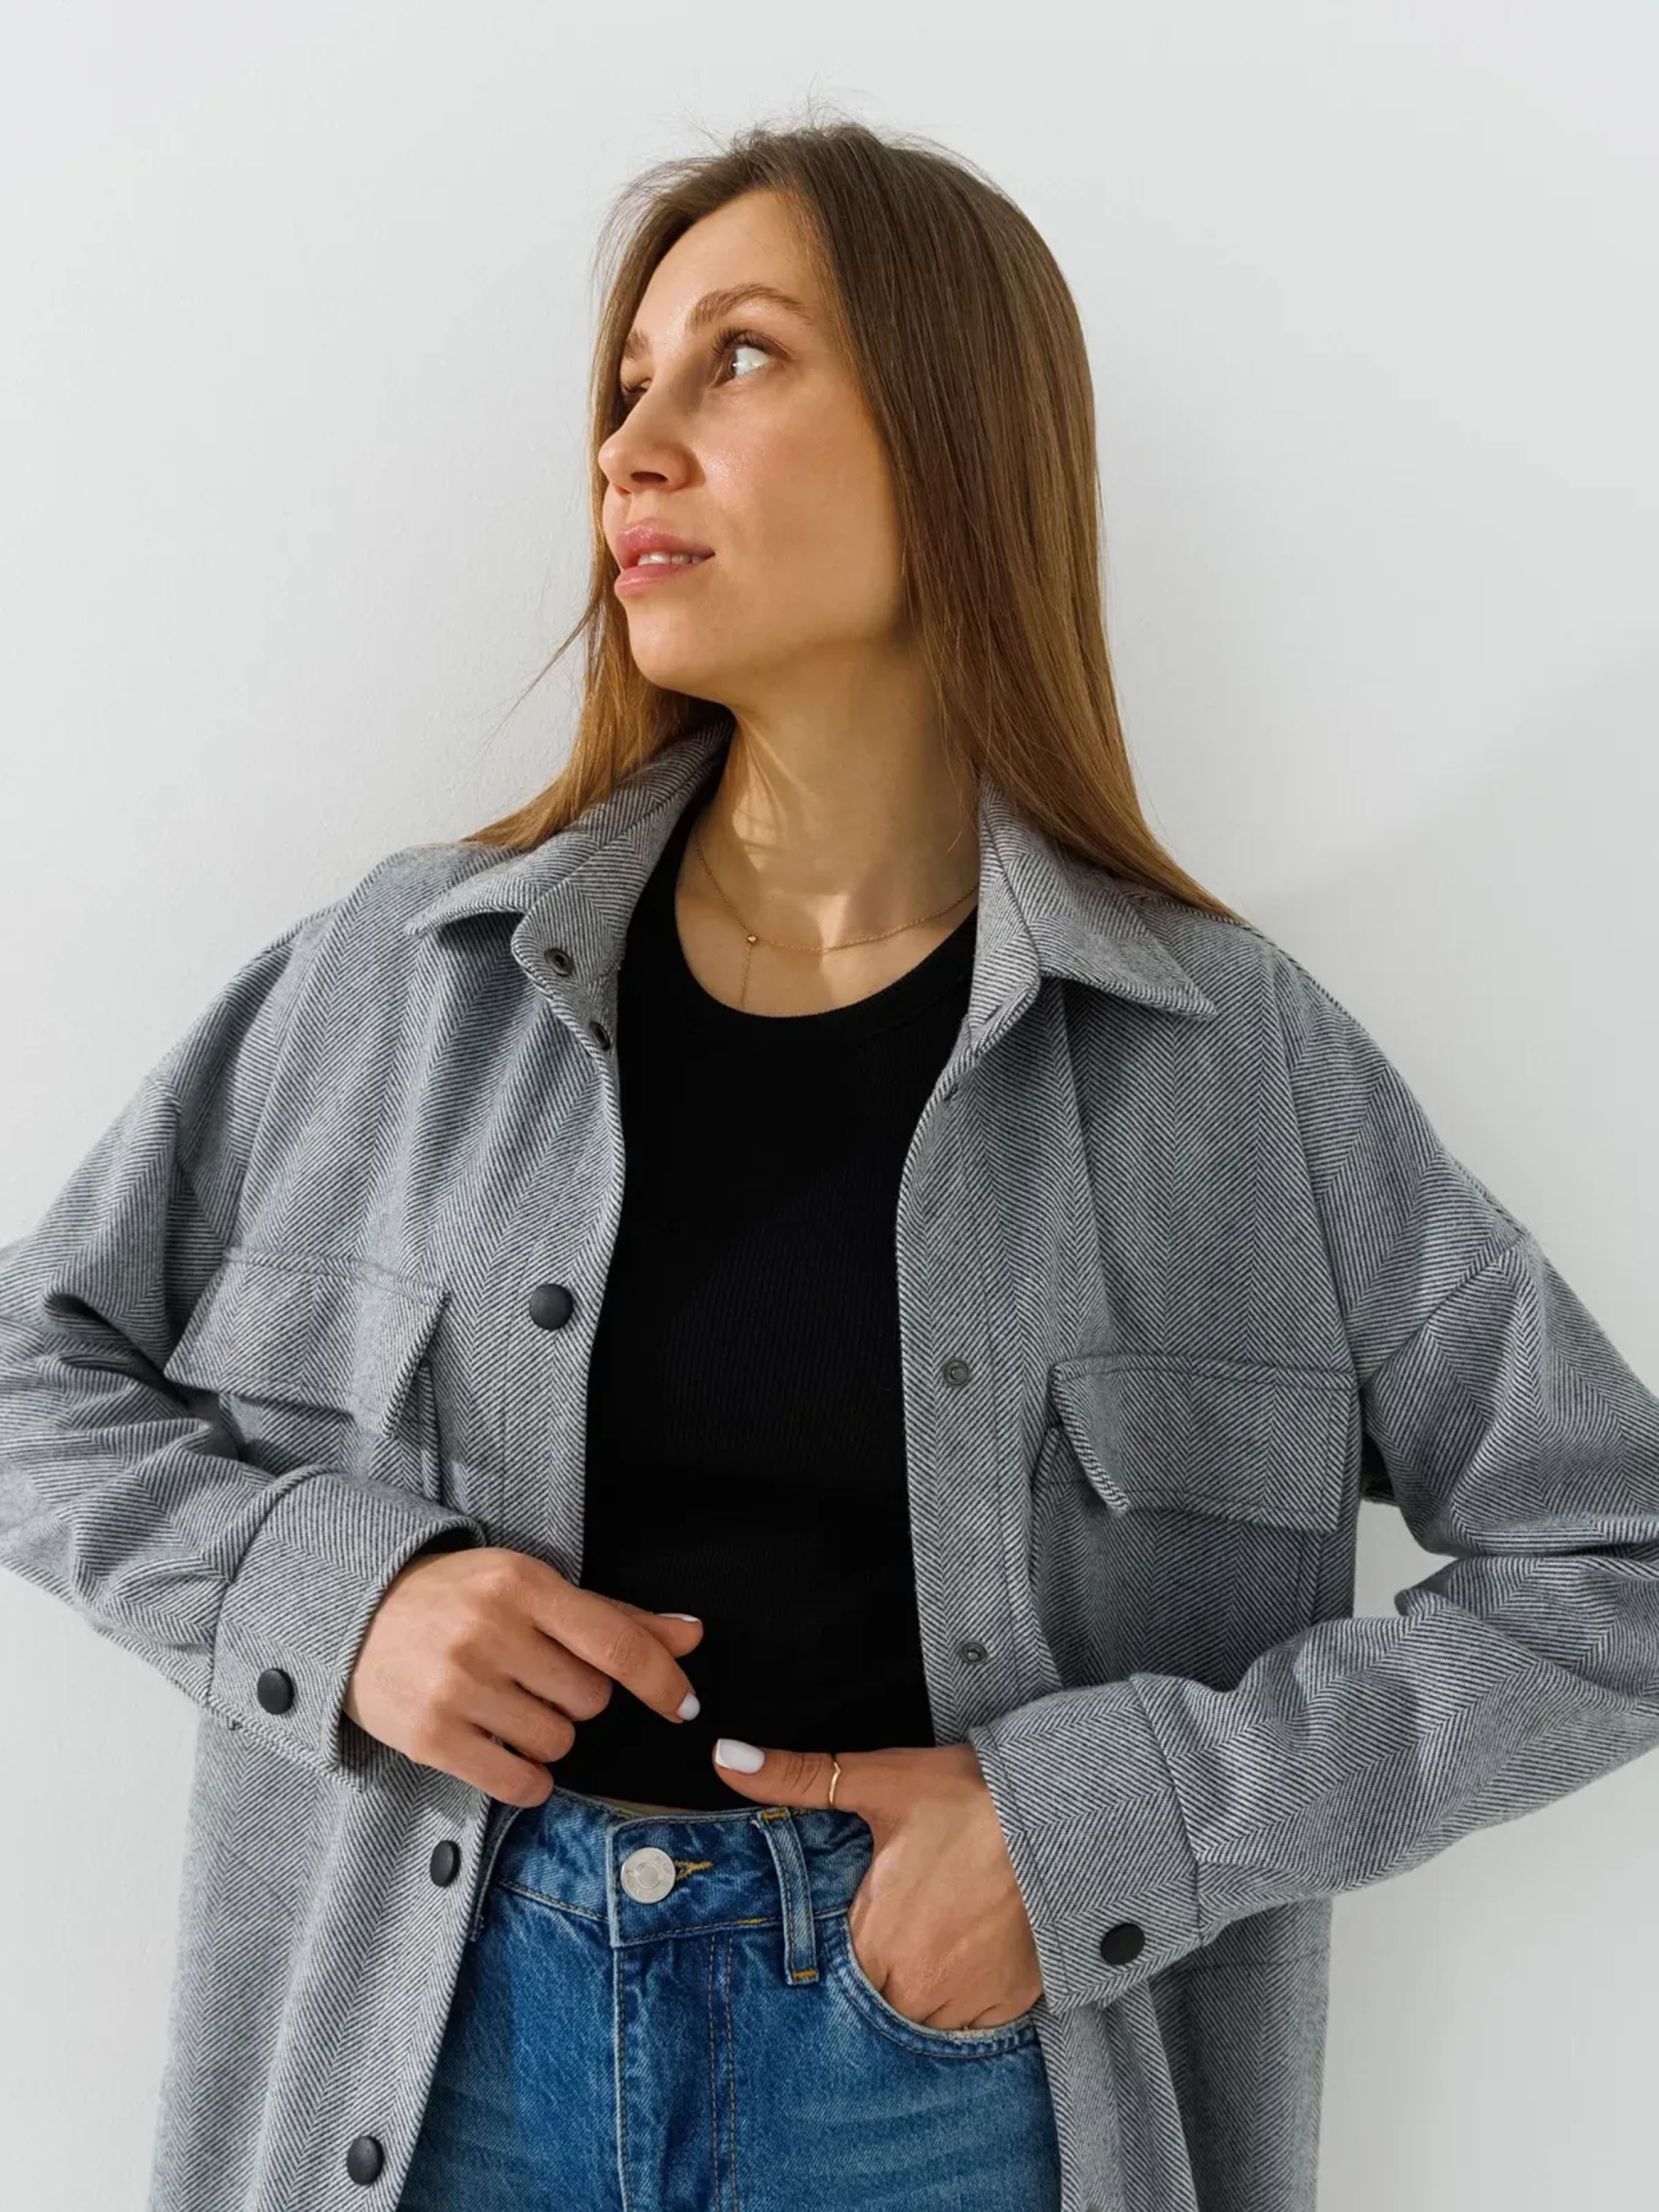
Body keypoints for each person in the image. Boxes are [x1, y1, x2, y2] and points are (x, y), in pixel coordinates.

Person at [3, 115, 1657, 2212]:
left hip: (955, 2084)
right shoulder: (400, 987)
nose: (630, 449)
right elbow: (29, 1368)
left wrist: (1101, 1833)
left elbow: (1615, 1558)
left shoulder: (1226, 1067)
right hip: (428, 2064)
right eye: (625, 386)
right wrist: (334, 1602)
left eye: (739, 359)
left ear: (952, 437)